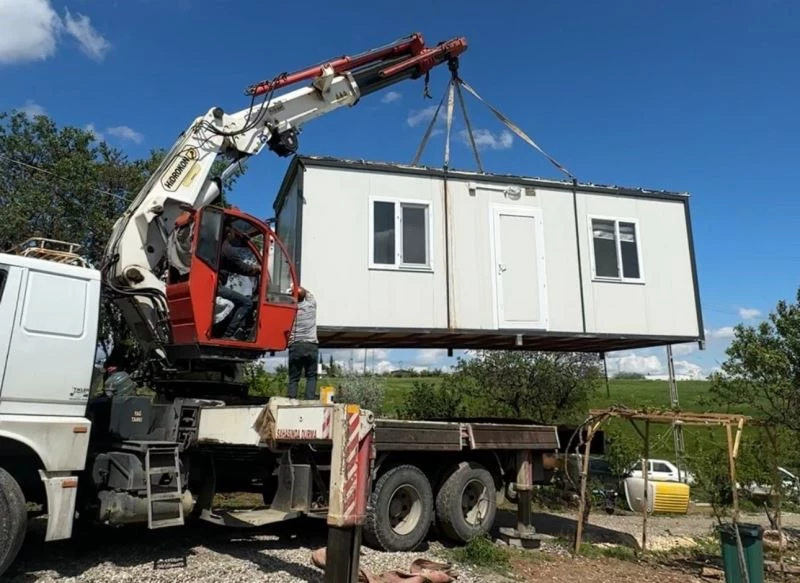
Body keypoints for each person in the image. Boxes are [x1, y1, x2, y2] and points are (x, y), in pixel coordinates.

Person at [217, 223, 260, 339]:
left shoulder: (219, 246)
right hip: (217, 287)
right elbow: (241, 267)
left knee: (237, 301)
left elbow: (234, 268)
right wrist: (256, 269)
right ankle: (227, 335)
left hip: (214, 285)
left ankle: (222, 331)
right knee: (247, 303)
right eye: (234, 232)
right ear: (229, 233)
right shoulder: (227, 249)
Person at [287, 286, 318, 400]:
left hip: (296, 345)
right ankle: (309, 400)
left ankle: (291, 399)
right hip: (311, 345)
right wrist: (297, 287)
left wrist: (290, 291)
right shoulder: (311, 306)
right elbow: (309, 294)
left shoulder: (291, 310)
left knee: (294, 378)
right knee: (311, 376)